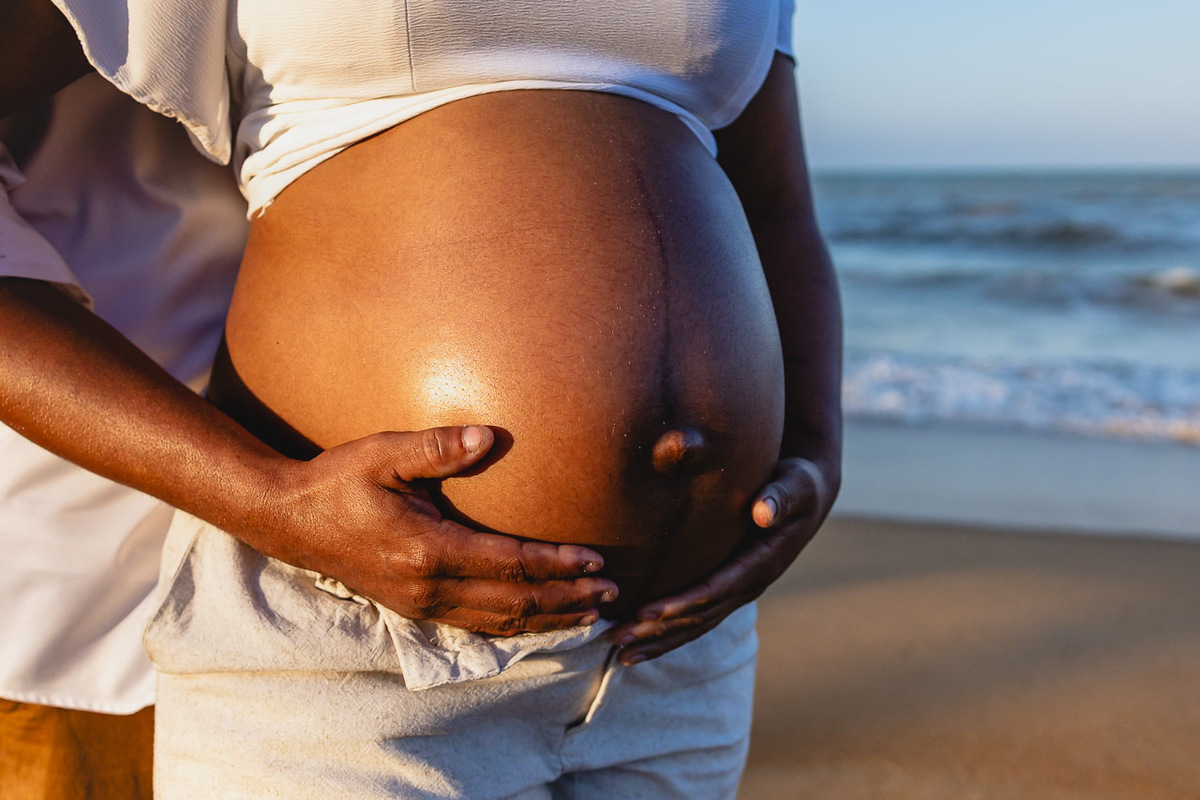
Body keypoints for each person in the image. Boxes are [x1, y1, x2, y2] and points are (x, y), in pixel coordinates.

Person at [8, 0, 842, 797]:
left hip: (675, 660)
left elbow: (776, 206)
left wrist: (814, 445)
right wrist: (268, 500)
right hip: (358, 648)